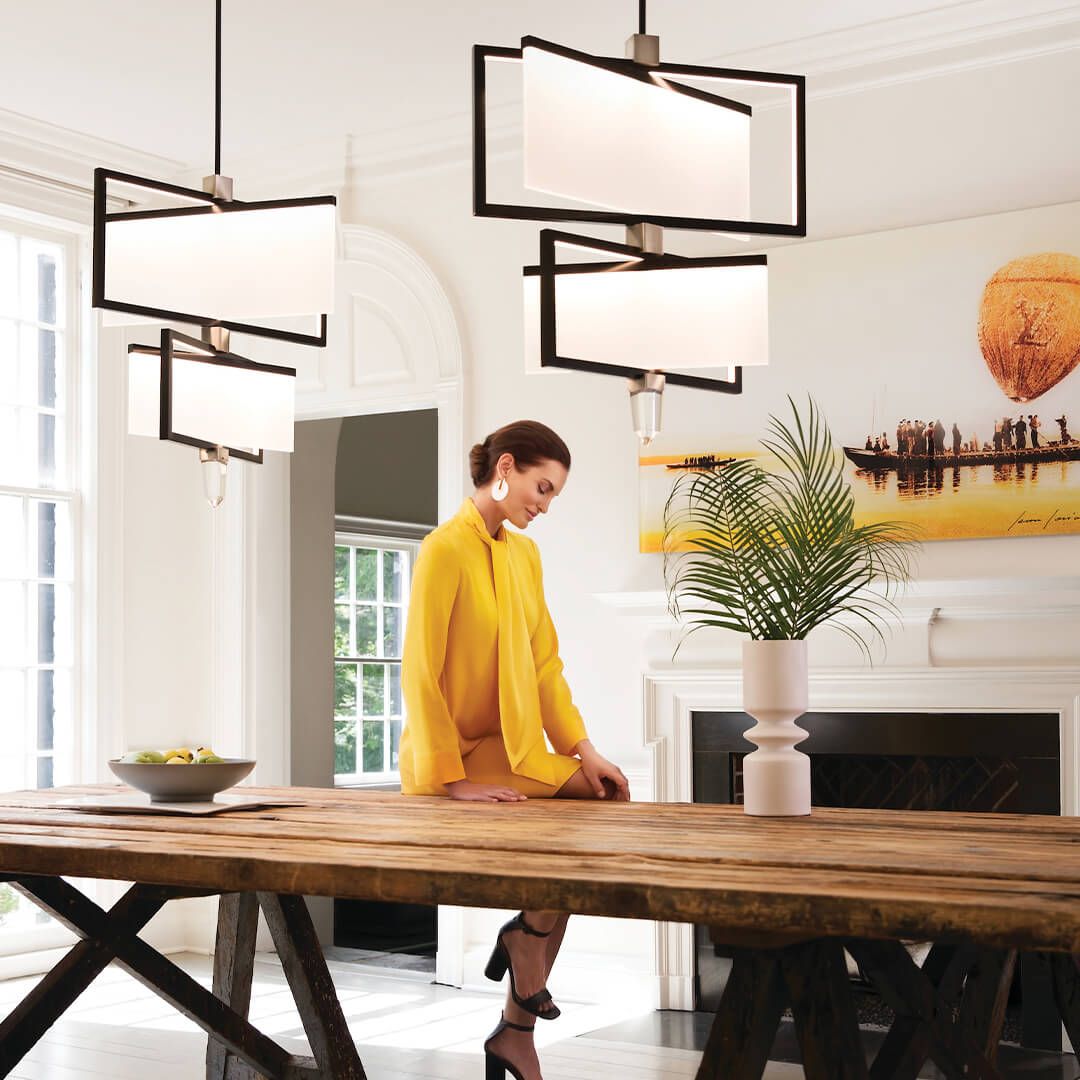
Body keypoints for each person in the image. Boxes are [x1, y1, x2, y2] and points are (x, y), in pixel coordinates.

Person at [398, 419, 630, 1080]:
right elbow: (419, 670)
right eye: (542, 487)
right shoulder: (443, 550)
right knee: (584, 816)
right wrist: (451, 781)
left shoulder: (523, 555)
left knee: (605, 794)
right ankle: (523, 975)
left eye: (554, 494)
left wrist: (584, 748)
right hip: (455, 757)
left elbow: (544, 665)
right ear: (505, 467)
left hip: (517, 748)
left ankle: (515, 1014)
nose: (546, 505)